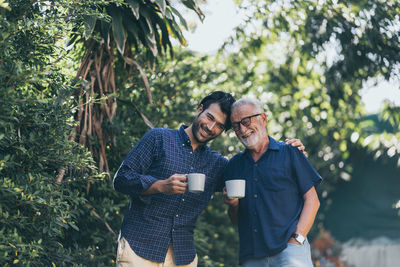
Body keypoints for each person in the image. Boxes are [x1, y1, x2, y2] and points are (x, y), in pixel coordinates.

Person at [113, 91, 304, 267]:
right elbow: (121, 179)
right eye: (209, 117)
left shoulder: (218, 164)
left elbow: (256, 175)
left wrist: (286, 150)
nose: (211, 127)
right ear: (200, 109)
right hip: (138, 247)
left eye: (220, 126)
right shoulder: (158, 139)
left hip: (182, 256)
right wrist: (160, 185)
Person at [223, 97, 322, 267]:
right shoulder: (234, 166)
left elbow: (312, 200)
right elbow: (237, 221)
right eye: (235, 126)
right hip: (251, 257)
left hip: (289, 252)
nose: (242, 129)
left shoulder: (290, 152)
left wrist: (297, 239)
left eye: (246, 121)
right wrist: (233, 205)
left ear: (263, 118)